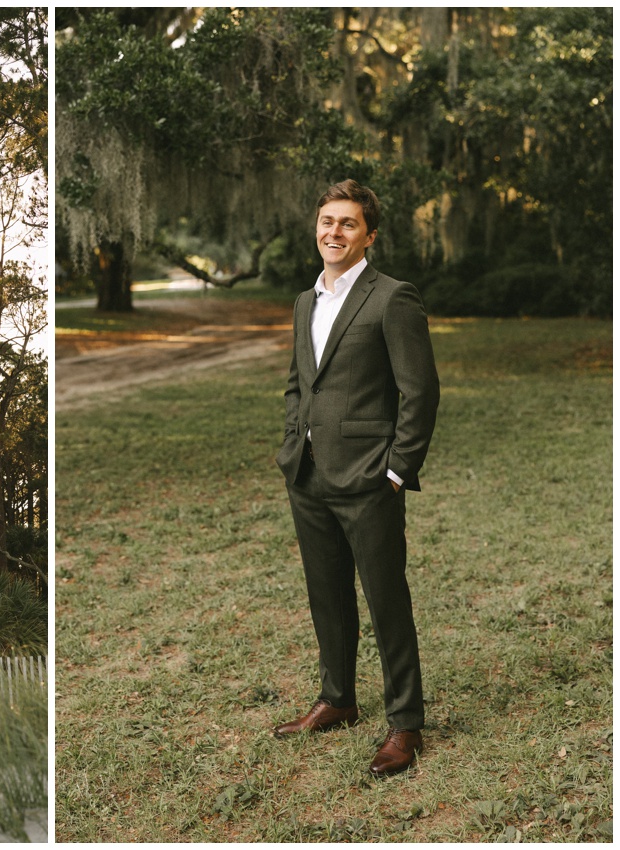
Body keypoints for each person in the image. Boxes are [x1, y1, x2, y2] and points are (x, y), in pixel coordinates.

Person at [272, 180, 439, 777]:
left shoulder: (392, 297)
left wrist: (396, 470)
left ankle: (405, 724)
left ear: (369, 234)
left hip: (370, 477)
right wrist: (294, 444)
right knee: (328, 595)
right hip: (308, 474)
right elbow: (300, 383)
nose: (333, 233)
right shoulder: (303, 301)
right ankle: (338, 698)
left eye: (347, 223)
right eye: (326, 221)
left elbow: (419, 391)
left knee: (385, 598)